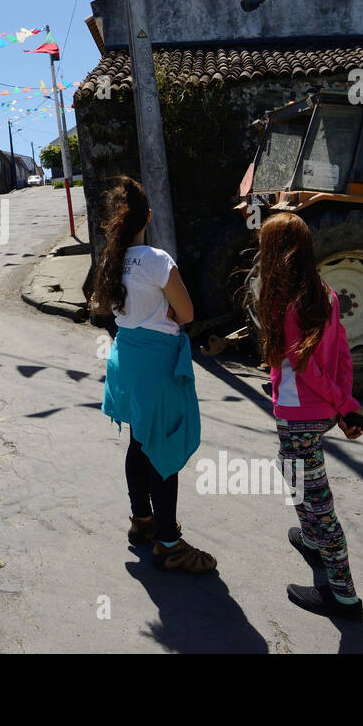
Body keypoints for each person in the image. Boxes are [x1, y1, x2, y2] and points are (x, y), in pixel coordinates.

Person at [248, 212, 363, 622]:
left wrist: (345, 405)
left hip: (299, 414)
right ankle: (310, 538)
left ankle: (343, 598)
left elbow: (304, 367)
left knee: (317, 502)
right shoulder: (324, 292)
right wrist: (342, 405)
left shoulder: (282, 301)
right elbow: (342, 353)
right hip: (319, 412)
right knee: (298, 477)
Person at [91, 176, 215, 574]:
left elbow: (105, 308)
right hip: (157, 362)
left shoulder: (112, 260)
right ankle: (169, 543)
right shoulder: (156, 260)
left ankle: (142, 520)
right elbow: (188, 314)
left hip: (126, 357)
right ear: (147, 215)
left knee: (139, 443)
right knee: (162, 450)